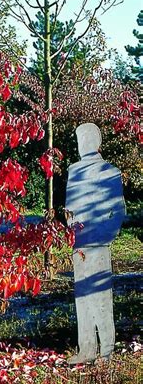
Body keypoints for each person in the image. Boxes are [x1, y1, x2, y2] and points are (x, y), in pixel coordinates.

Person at [65, 123, 126, 365]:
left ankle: (107, 350)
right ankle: (87, 348)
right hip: (79, 245)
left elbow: (118, 210)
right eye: (79, 139)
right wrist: (73, 234)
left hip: (99, 244)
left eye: (86, 139)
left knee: (101, 297)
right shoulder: (74, 171)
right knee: (83, 298)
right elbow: (70, 208)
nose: (82, 144)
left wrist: (105, 235)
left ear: (96, 142)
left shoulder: (110, 171)